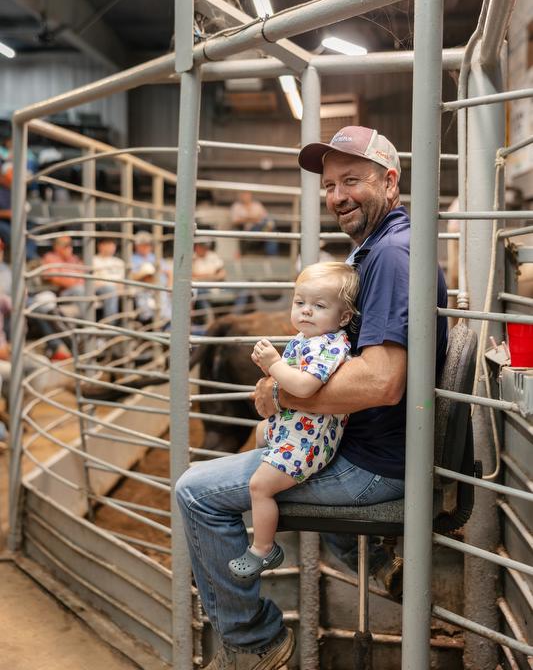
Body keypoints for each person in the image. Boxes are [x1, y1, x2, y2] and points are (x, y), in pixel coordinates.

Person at [175, 125, 448, 670]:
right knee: (265, 451)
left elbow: (382, 382)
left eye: (352, 180)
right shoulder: (378, 250)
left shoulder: (392, 256)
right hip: (371, 446)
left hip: (372, 463)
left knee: (195, 492)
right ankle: (374, 565)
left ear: (390, 180)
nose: (338, 196)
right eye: (329, 186)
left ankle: (255, 643)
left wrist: (282, 391)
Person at [228, 261, 357, 581]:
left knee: (259, 486)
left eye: (319, 305)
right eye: (300, 303)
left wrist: (272, 364)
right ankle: (271, 476)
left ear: (343, 318)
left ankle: (263, 548)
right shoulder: (307, 338)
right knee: (259, 432)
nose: (306, 311)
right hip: (295, 425)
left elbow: (303, 386)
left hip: (309, 440)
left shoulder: (330, 346)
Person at [230, 190, 278, 256]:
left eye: (247, 194)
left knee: (270, 228)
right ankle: (266, 231)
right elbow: (235, 221)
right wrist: (252, 219)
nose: (245, 197)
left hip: (260, 226)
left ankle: (272, 256)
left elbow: (265, 216)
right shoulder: (236, 206)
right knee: (269, 228)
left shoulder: (257, 205)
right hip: (248, 229)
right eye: (244, 195)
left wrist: (249, 218)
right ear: (240, 196)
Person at [92, 237, 125, 320]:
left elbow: (123, 280)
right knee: (110, 289)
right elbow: (94, 282)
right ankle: (111, 325)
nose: (112, 247)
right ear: (100, 246)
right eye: (108, 244)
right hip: (101, 290)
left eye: (113, 244)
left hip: (119, 290)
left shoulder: (119, 262)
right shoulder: (93, 260)